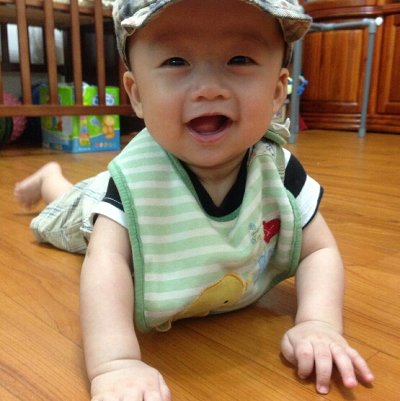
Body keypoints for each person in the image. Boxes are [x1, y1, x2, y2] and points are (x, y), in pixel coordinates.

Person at [15, 0, 375, 399]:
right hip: (103, 210)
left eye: (239, 59)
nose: (209, 88)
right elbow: (107, 262)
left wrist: (318, 322)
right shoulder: (135, 180)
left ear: (277, 92)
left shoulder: (276, 170)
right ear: (137, 94)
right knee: (72, 215)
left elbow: (318, 250)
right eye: (175, 61)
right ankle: (50, 179)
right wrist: (115, 362)